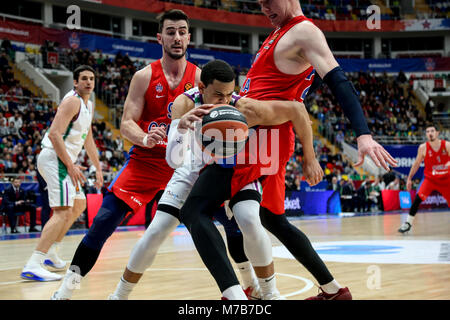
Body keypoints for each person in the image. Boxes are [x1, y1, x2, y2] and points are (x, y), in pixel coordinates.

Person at [179, 0, 398, 301]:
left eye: (268, 1)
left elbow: (337, 80)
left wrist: (363, 134)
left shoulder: (304, 31)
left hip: (261, 138)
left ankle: (242, 295)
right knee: (272, 219)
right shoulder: (278, 33)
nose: (264, 7)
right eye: (259, 3)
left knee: (195, 210)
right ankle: (334, 291)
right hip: (262, 135)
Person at [108, 59, 311, 300]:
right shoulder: (184, 103)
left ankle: (269, 293)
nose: (224, 101)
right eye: (218, 94)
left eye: (229, 94)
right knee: (157, 231)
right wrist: (181, 128)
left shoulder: (243, 106)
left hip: (232, 170)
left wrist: (309, 156)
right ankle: (119, 296)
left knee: (249, 220)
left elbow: (295, 110)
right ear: (202, 87)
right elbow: (174, 161)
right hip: (192, 171)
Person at [51, 9, 201, 300]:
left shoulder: (200, 78)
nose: (177, 37)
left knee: (227, 219)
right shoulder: (144, 76)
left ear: (189, 36)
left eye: (182, 31)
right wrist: (145, 138)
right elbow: (126, 124)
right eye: (170, 32)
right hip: (145, 163)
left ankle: (249, 287)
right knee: (103, 224)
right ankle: (65, 292)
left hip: (183, 166)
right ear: (160, 37)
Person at [21, 65, 103, 282]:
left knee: (78, 205)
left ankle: (51, 253)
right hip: (54, 158)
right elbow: (55, 134)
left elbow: (88, 139)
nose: (88, 82)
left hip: (63, 160)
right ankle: (34, 263)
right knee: (63, 211)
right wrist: (70, 164)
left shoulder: (89, 105)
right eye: (84, 78)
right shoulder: (72, 100)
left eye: (91, 79)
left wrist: (99, 168)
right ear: (75, 82)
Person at [398, 124, 450, 233]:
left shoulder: (447, 145)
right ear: (426, 134)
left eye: (432, 131)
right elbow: (416, 164)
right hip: (430, 180)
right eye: (427, 131)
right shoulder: (423, 147)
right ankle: (408, 223)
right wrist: (409, 179)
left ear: (437, 133)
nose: (430, 133)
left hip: (446, 180)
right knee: (417, 200)